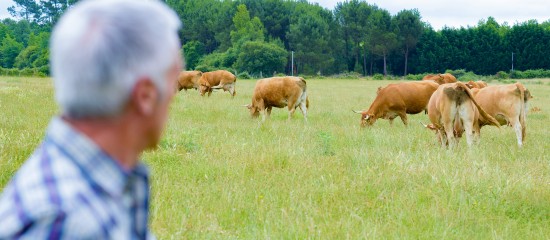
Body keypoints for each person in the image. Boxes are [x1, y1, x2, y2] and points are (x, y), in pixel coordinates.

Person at [0, 0, 182, 238]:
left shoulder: (86, 186)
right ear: (145, 96)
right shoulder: (69, 223)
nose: (173, 95)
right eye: (172, 82)